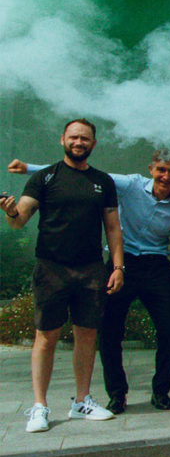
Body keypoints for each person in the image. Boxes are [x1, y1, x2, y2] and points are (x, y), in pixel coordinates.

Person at [15, 149, 170, 413]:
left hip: (157, 266)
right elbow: (82, 175)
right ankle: (117, 394)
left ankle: (161, 392)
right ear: (151, 169)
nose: (166, 176)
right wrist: (28, 167)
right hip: (122, 263)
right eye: (161, 170)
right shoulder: (131, 184)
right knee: (109, 332)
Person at [3, 120, 123, 432]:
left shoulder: (103, 182)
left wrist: (118, 267)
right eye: (74, 137)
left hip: (91, 269)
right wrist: (11, 211)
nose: (79, 142)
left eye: (85, 138)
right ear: (62, 140)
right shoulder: (44, 178)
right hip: (51, 268)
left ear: (93, 143)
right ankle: (39, 406)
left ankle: (82, 401)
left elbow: (113, 228)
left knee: (87, 334)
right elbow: (19, 219)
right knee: (46, 336)